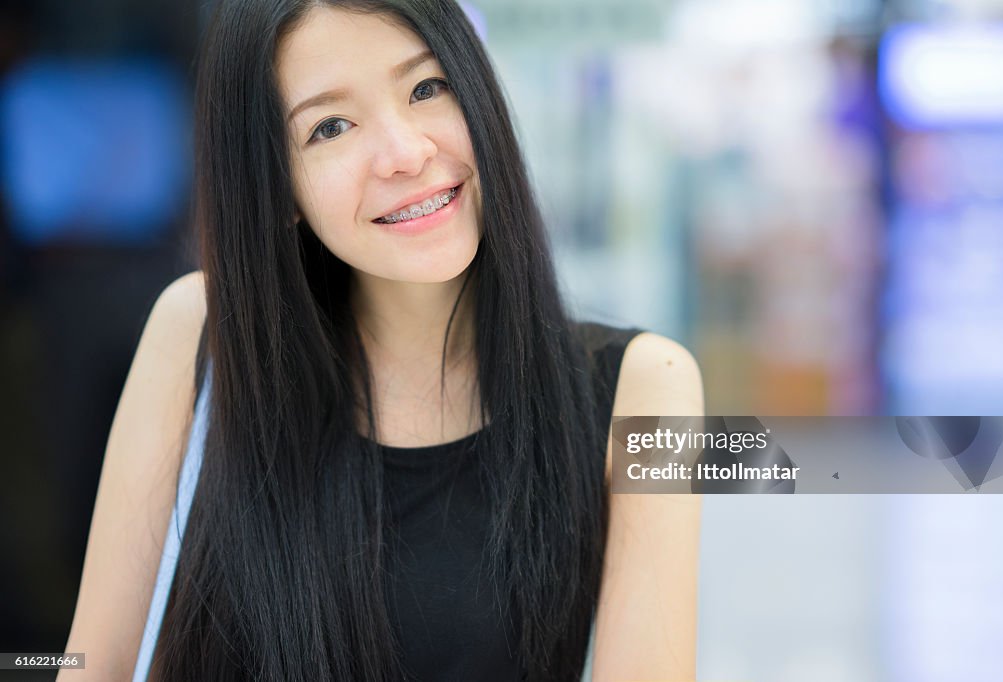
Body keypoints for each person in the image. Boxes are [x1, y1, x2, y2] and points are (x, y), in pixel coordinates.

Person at [61, 1, 704, 680]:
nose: (406, 153)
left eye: (428, 87)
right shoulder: (199, 331)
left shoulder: (649, 388)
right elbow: (87, 662)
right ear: (275, 185)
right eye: (330, 127)